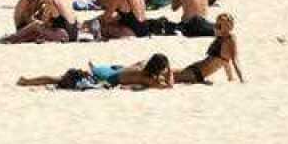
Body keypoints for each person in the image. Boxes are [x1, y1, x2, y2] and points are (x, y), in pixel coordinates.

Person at [17, 54, 172, 89]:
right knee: (57, 80)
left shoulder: (141, 68)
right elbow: (169, 86)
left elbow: (143, 61)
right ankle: (26, 81)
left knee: (58, 78)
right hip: (102, 79)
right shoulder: (147, 79)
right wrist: (170, 70)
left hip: (107, 71)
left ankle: (27, 80)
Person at [174, 13, 245, 84]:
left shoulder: (230, 39)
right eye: (216, 25)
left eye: (219, 26)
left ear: (229, 26)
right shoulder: (220, 38)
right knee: (170, 72)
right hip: (196, 68)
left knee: (170, 75)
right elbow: (226, 61)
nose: (216, 27)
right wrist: (230, 77)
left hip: (197, 74)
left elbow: (234, 60)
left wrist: (241, 79)